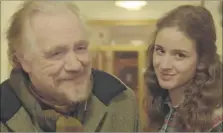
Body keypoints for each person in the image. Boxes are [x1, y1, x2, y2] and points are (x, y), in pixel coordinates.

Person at [0, 1, 140, 132]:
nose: (75, 66)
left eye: (80, 48)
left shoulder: (121, 102)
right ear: (23, 60)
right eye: (56, 53)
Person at [144, 5, 222, 132]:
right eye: (160, 51)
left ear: (202, 60)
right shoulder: (164, 105)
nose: (164, 65)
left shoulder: (215, 121)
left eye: (180, 55)